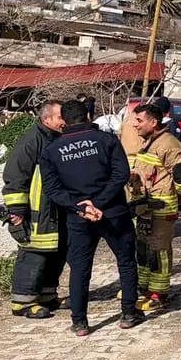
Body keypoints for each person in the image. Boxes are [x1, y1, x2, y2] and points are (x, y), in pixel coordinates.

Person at [39, 100, 144, 336]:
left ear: (64, 120)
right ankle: (128, 313)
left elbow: (53, 190)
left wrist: (81, 206)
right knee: (126, 262)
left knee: (80, 268)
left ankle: (79, 322)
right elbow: (121, 174)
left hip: (78, 217)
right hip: (113, 211)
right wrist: (99, 202)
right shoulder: (107, 140)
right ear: (87, 115)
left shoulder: (52, 151)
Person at [1, 100, 67, 319]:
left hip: (54, 211)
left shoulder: (57, 139)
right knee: (33, 254)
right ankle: (23, 301)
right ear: (46, 119)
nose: (64, 120)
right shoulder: (32, 140)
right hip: (35, 212)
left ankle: (46, 294)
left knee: (54, 254)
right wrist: (17, 212)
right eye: (60, 117)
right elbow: (15, 176)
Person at [128, 102, 181, 312]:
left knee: (158, 252)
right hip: (145, 208)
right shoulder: (150, 143)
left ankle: (158, 295)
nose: (135, 125)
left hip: (161, 210)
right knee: (143, 249)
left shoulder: (169, 144)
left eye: (139, 120)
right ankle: (145, 288)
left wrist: (180, 199)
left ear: (153, 122)